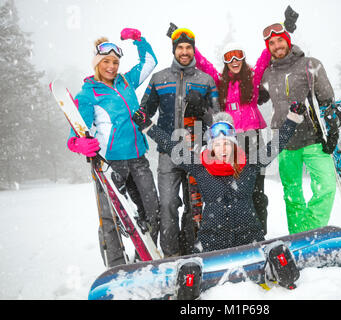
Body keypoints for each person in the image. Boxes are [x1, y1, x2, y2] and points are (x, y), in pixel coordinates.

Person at [133, 105, 307, 253]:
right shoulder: (200, 167)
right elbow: (171, 146)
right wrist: (148, 126)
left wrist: (293, 118)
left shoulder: (249, 164)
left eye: (226, 144)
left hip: (250, 241)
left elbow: (275, 145)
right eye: (217, 144)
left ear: (234, 145)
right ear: (211, 147)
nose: (223, 148)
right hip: (213, 244)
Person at [66, 28, 159, 267]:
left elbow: (150, 62)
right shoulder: (88, 94)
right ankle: (116, 264)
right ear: (97, 63)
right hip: (110, 162)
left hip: (138, 157)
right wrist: (80, 143)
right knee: (111, 216)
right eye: (106, 61)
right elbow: (75, 134)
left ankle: (144, 257)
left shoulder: (126, 81)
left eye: (115, 62)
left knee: (151, 208)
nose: (112, 66)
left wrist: (139, 40)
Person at [139, 28, 220, 257]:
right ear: (174, 50)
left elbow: (219, 119)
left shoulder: (206, 80)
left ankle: (195, 250)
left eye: (188, 47)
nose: (184, 52)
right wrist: (141, 117)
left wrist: (203, 110)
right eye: (180, 48)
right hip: (168, 152)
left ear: (193, 50)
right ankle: (171, 255)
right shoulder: (159, 78)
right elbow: (145, 112)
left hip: (197, 151)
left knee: (196, 206)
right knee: (167, 205)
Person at [260, 22, 337, 234]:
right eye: (271, 43)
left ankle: (309, 230)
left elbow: (328, 101)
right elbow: (255, 97)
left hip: (313, 137)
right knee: (292, 194)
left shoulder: (310, 64)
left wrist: (333, 127)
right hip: (284, 141)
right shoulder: (268, 73)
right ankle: (297, 238)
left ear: (288, 39)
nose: (277, 46)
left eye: (280, 40)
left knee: (327, 187)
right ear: (268, 48)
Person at [194, 42, 272, 235]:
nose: (234, 61)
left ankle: (259, 232)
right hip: (231, 141)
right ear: (225, 61)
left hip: (252, 137)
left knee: (257, 190)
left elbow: (264, 61)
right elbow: (205, 66)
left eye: (238, 56)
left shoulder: (252, 78)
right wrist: (190, 43)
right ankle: (235, 231)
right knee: (235, 188)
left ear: (243, 58)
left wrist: (282, 31)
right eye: (229, 57)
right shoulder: (221, 82)